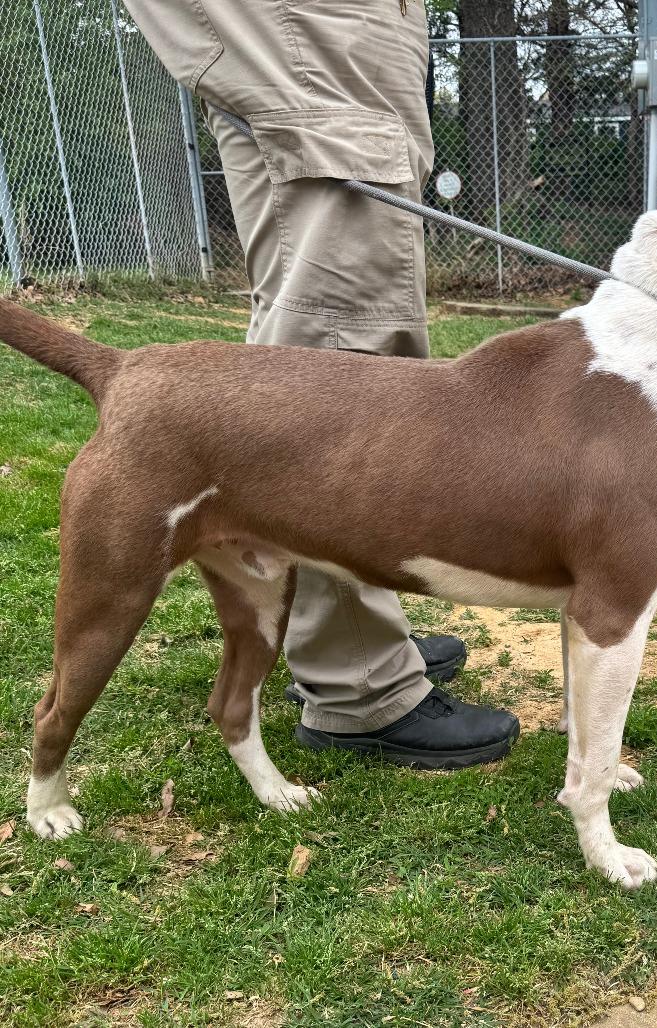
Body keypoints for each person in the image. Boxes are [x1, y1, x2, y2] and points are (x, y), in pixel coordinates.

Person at [124, 0, 519, 768]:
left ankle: (347, 628)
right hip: (309, 27)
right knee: (342, 347)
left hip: (329, 33)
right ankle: (357, 683)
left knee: (320, 322)